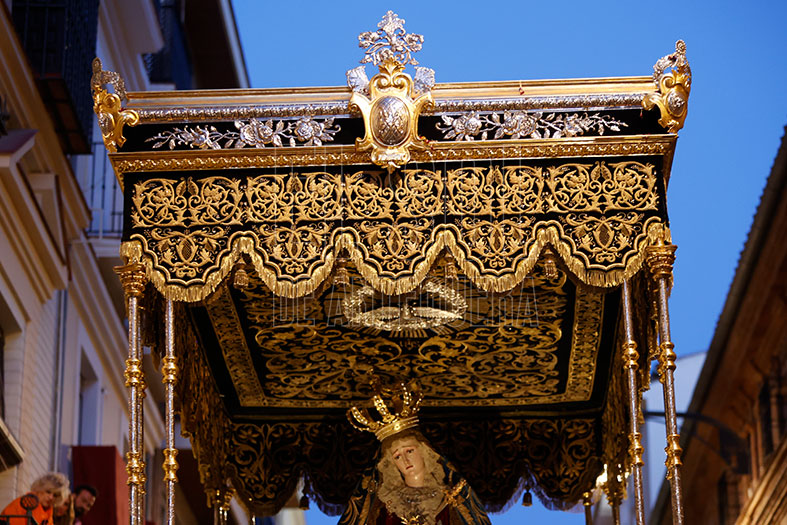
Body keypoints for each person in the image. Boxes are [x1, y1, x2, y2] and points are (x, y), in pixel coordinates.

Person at [340, 381, 490, 525]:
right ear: (391, 464)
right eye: (397, 456)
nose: (405, 460)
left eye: (409, 451)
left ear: (424, 451)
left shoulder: (450, 498)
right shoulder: (388, 504)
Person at [1, 472, 69, 525]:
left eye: (55, 495)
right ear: (40, 488)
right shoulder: (27, 503)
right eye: (48, 492)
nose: (51, 497)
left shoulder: (47, 511)